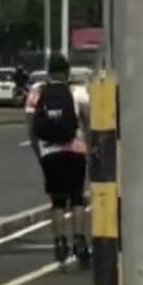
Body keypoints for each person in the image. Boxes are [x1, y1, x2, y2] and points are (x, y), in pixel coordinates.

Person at [26, 54, 90, 269]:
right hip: (75, 150)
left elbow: (31, 128)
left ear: (48, 71)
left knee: (57, 201)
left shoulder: (37, 93)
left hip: (49, 153)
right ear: (67, 72)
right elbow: (87, 122)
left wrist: (40, 152)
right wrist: (89, 147)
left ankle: (60, 242)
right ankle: (79, 240)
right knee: (77, 198)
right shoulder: (77, 92)